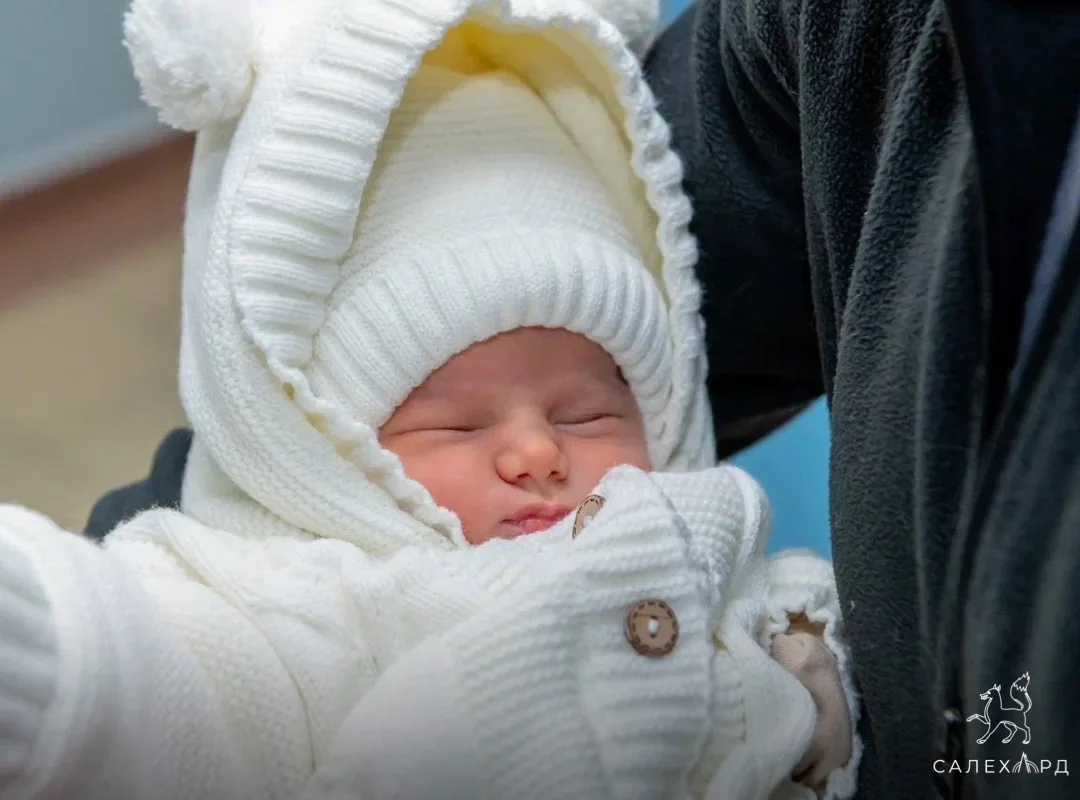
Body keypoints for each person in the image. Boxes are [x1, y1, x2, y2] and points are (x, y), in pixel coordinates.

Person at [85, 0, 1080, 797]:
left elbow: (806, 660)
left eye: (585, 415)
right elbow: (145, 681)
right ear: (319, 452)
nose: (538, 453)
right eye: (456, 423)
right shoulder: (317, 610)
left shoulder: (716, 544)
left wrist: (817, 693)